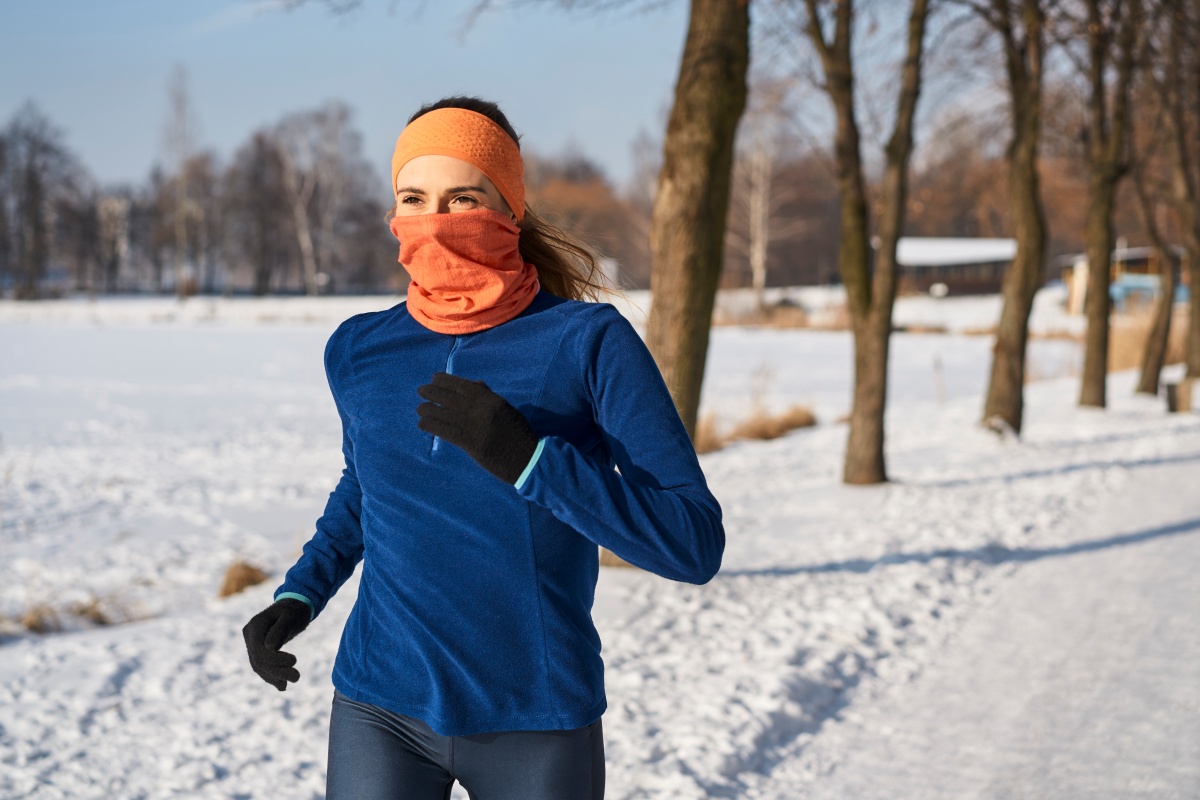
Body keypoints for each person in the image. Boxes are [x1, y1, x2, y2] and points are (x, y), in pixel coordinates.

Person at [242, 96, 725, 800]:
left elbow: (691, 543)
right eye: (414, 198)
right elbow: (366, 486)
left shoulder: (587, 343)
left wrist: (533, 461)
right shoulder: (358, 349)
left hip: (535, 716)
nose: (434, 222)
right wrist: (301, 591)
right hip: (380, 706)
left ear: (510, 211)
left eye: (462, 198)